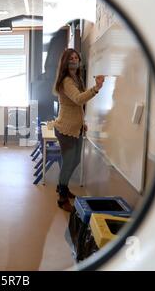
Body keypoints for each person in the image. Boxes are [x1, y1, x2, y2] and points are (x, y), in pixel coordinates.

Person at [52, 48, 105, 212]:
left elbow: (78, 107)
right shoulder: (67, 81)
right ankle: (62, 197)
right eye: (71, 58)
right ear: (65, 61)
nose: (74, 60)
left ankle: (64, 186)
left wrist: (82, 123)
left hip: (76, 128)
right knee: (69, 163)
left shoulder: (76, 78)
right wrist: (96, 88)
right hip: (65, 129)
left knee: (75, 161)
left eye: (76, 57)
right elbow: (78, 99)